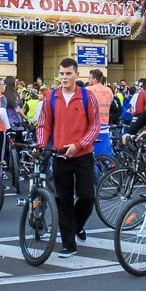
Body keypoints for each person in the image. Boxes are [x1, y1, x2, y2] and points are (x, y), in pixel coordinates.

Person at [36, 58, 100, 257]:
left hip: (83, 155)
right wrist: (40, 144)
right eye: (62, 74)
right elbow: (43, 124)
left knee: (87, 196)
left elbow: (95, 126)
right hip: (59, 155)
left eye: (68, 73)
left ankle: (77, 224)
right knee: (63, 201)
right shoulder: (51, 98)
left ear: (76, 75)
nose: (64, 77)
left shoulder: (88, 97)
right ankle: (68, 244)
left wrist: (79, 145)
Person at [86, 69, 114, 156]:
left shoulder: (88, 89)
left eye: (89, 78)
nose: (88, 80)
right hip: (104, 126)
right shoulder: (109, 91)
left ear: (94, 79)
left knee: (89, 154)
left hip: (91, 126)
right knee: (105, 154)